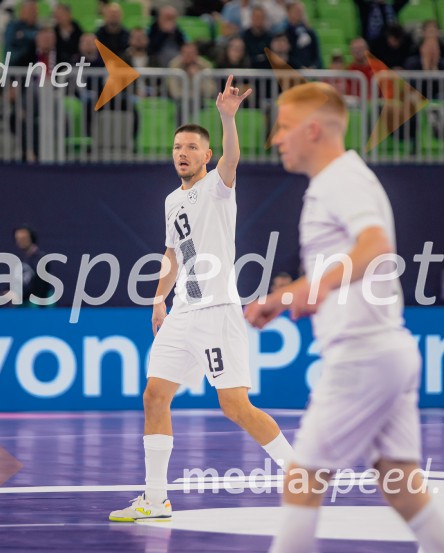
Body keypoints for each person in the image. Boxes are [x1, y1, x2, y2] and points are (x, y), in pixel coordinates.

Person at [244, 82, 444, 553]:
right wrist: (285, 299)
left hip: (362, 355)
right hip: (386, 352)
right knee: (400, 484)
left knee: (300, 479)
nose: (275, 139)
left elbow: (376, 246)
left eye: (282, 127)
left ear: (313, 130)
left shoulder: (340, 180)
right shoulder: (340, 181)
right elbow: (349, 263)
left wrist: (313, 286)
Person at [109, 75, 294, 523]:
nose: (183, 153)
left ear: (205, 156)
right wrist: (158, 300)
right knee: (155, 395)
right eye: (177, 147)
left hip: (216, 312)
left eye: (191, 147)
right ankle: (156, 499)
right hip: (182, 314)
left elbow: (233, 158)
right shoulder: (173, 199)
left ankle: (299, 476)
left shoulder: (218, 186)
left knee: (234, 406)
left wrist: (227, 117)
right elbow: (172, 252)